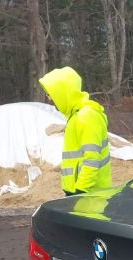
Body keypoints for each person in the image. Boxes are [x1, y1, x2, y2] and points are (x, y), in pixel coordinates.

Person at [39, 67, 111, 196]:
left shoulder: (86, 116)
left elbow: (92, 158)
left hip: (89, 195)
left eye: (51, 94)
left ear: (63, 92)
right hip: (82, 192)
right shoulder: (76, 115)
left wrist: (80, 190)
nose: (49, 98)